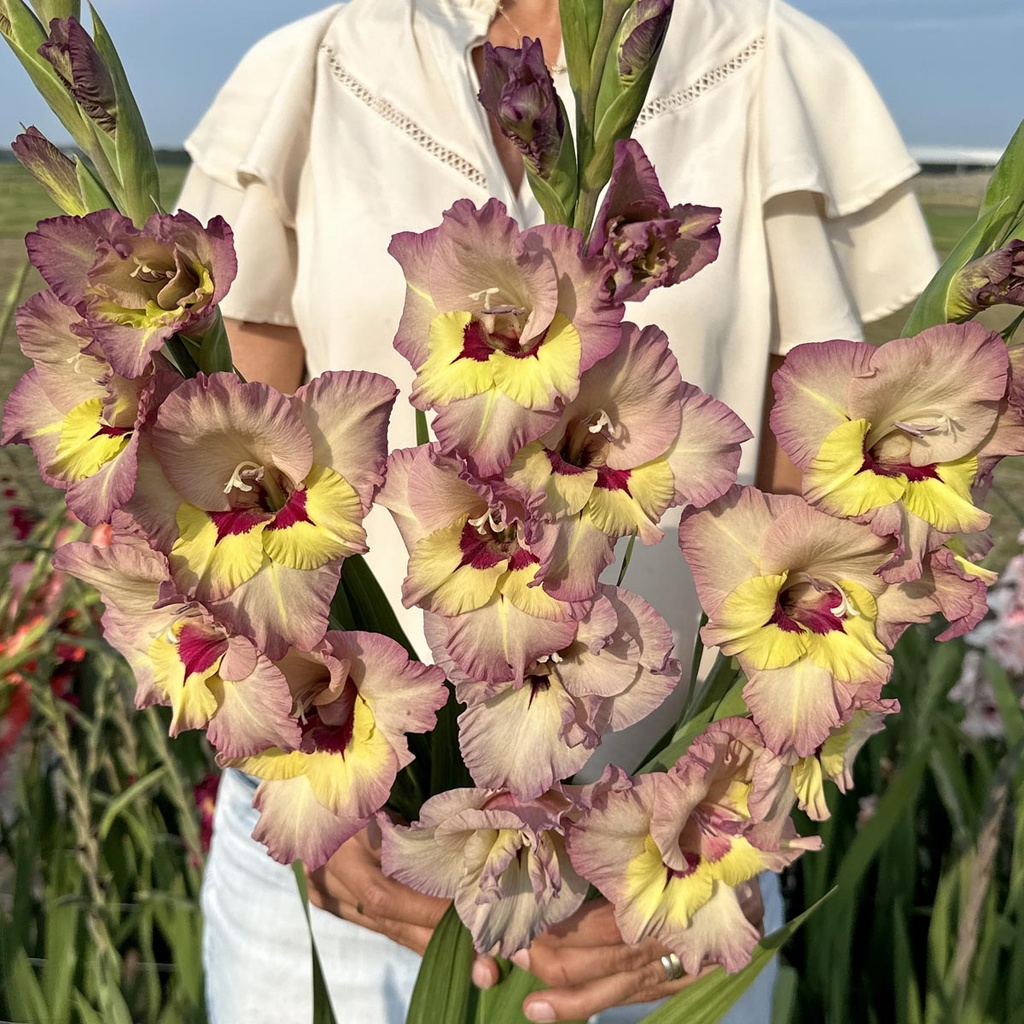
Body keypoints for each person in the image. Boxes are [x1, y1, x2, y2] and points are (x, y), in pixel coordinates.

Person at [176, 0, 937, 1020]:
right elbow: (225, 471)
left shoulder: (767, 65)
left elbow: (816, 514)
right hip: (347, 833)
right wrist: (311, 779)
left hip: (653, 876)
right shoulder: (314, 68)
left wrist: (723, 838)